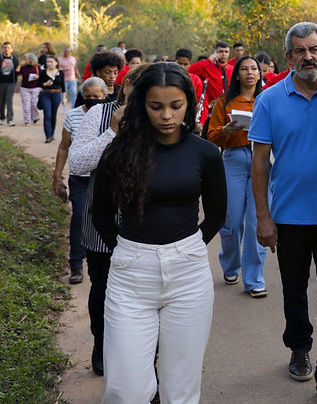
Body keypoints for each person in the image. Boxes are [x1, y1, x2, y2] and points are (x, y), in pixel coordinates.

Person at [91, 62, 226, 403]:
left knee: (180, 390)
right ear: (141, 106)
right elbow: (102, 215)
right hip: (130, 277)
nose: (167, 115)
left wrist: (189, 248)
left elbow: (216, 214)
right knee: (126, 390)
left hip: (189, 276)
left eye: (175, 106)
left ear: (189, 104)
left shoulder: (206, 153)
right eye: (156, 106)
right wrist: (127, 251)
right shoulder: (119, 151)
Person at [250, 22, 317, 403]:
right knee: (294, 290)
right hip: (289, 216)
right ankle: (298, 346)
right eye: (300, 51)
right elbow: (259, 163)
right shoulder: (270, 100)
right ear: (289, 57)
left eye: (314, 49)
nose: (307, 56)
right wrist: (263, 218)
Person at [69, 64, 148, 376]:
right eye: (136, 85)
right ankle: (102, 345)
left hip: (143, 223)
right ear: (125, 86)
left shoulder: (157, 118)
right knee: (103, 287)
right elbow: (78, 163)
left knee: (140, 292)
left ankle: (138, 353)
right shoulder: (98, 115)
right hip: (100, 220)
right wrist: (113, 131)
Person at [206, 56, 268, 298]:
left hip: (261, 159)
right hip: (232, 159)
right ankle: (231, 265)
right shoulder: (224, 102)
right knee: (231, 220)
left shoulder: (267, 100)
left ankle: (254, 279)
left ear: (260, 73)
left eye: (254, 68)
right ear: (237, 74)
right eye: (244, 69)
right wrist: (226, 131)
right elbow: (212, 137)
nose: (250, 73)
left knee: (256, 222)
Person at [52, 77, 107, 284]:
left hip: (105, 178)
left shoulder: (111, 116)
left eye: (97, 96)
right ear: (82, 96)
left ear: (104, 95)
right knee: (79, 219)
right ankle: (76, 264)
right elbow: (64, 146)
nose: (93, 99)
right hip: (80, 179)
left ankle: (105, 260)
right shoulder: (74, 116)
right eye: (89, 96)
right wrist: (57, 176)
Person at [188, 41, 233, 106]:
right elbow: (191, 70)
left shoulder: (233, 69)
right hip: (211, 106)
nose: (224, 54)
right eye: (221, 51)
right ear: (215, 53)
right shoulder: (207, 67)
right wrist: (208, 61)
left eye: (226, 52)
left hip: (229, 105)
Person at [0, 41, 18, 125]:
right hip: (0, 82)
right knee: (1, 101)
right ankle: (2, 117)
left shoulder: (14, 59)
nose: (6, 49)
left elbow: (17, 70)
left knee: (9, 100)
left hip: (11, 83)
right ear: (3, 49)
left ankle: (10, 119)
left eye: (8, 48)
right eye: (5, 47)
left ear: (12, 49)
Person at [38, 55, 65, 143]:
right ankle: (48, 136)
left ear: (56, 62)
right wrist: (45, 84)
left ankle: (52, 133)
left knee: (53, 115)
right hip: (46, 94)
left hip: (57, 94)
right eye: (47, 62)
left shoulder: (60, 73)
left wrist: (64, 98)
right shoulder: (43, 72)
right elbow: (38, 83)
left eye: (51, 62)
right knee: (47, 115)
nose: (49, 63)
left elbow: (63, 86)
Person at [19, 52, 42, 125]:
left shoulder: (37, 67)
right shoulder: (23, 67)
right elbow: (16, 73)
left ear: (30, 60)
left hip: (35, 88)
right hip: (25, 88)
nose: (24, 60)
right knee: (26, 104)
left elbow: (42, 76)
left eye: (26, 59)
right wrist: (19, 65)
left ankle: (35, 117)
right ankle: (27, 120)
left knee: (34, 104)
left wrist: (38, 77)